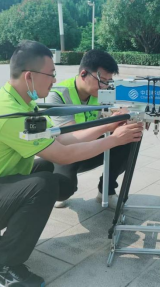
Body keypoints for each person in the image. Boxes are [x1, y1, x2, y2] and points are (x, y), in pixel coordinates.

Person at [0, 40, 143, 287]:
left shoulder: (24, 102)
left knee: (44, 169)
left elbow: (63, 138)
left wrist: (109, 125)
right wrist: (114, 140)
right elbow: (63, 155)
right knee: (43, 185)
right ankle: (0, 267)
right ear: (29, 76)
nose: (54, 80)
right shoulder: (11, 112)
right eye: (50, 74)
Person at [44, 49, 131, 209]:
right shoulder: (58, 95)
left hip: (91, 147)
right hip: (64, 152)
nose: (105, 86)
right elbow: (68, 139)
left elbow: (122, 108)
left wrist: (128, 116)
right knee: (63, 191)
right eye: (102, 80)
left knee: (130, 136)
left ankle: (106, 190)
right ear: (83, 74)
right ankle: (48, 173)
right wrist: (108, 126)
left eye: (109, 81)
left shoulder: (104, 90)